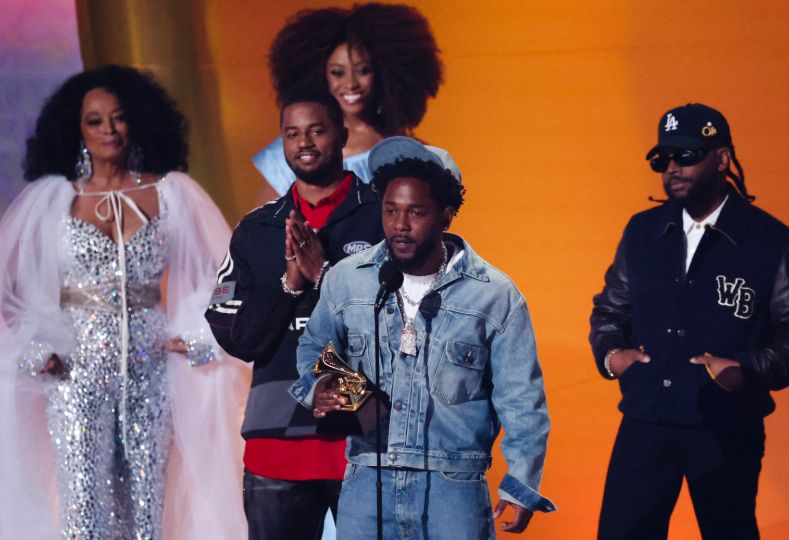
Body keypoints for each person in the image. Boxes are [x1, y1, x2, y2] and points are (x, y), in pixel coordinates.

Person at [0, 64, 247, 539]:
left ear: (136, 119)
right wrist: (34, 348)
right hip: (74, 371)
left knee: (148, 505)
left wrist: (201, 335)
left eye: (118, 117)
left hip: (152, 367)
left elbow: (228, 273)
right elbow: (9, 288)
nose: (108, 129)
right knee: (83, 506)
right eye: (94, 120)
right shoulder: (52, 200)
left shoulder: (171, 192)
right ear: (76, 129)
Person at [290, 137, 556, 539]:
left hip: (453, 487)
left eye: (416, 212)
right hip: (369, 479)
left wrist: (521, 484)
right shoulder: (348, 278)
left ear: (446, 215)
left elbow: (522, 399)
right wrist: (322, 385)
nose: (400, 224)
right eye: (390, 210)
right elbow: (314, 346)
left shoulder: (494, 295)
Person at [590, 103, 789, 539]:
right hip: (645, 423)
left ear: (721, 159)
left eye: (685, 155)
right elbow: (610, 309)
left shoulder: (772, 242)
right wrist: (611, 357)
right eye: (662, 159)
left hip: (726, 429)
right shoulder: (642, 231)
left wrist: (745, 369)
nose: (672, 168)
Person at [205, 93, 384, 539]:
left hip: (366, 435)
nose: (304, 142)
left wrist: (324, 276)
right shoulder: (257, 228)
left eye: (317, 130)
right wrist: (289, 286)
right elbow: (234, 333)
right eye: (292, 133)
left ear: (342, 135)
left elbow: (410, 321)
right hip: (275, 445)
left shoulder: (382, 217)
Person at [254, 2, 448, 196]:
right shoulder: (296, 147)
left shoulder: (408, 151)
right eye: (338, 73)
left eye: (363, 70)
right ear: (320, 76)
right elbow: (268, 215)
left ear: (383, 73)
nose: (350, 83)